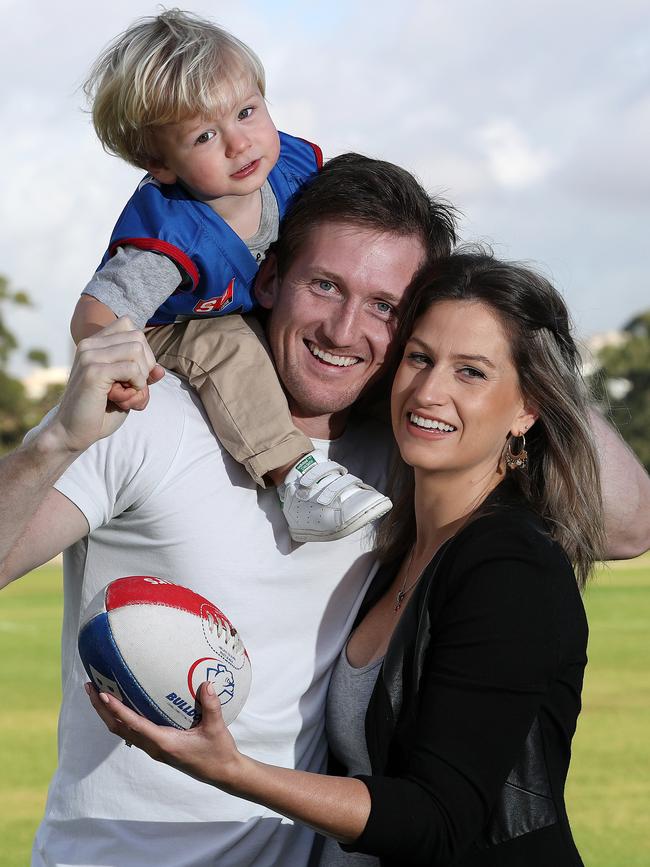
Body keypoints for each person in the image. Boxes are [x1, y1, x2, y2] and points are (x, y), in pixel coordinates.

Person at [0, 157, 647, 867]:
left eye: (385, 306)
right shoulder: (149, 415)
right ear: (270, 276)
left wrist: (499, 327)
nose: (344, 329)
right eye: (325, 284)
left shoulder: (400, 448)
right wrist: (56, 440)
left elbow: (627, 523)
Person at [71, 9, 390, 542]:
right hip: (183, 324)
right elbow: (95, 314)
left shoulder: (296, 167)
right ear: (161, 163)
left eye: (246, 111)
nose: (239, 143)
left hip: (253, 304)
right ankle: (297, 477)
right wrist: (124, 365)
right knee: (229, 344)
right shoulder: (171, 240)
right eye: (203, 137)